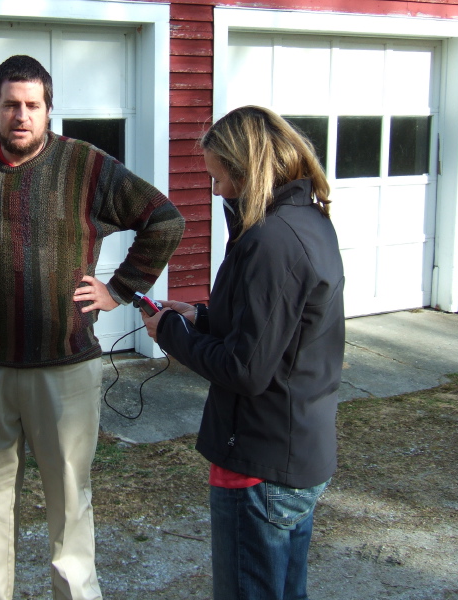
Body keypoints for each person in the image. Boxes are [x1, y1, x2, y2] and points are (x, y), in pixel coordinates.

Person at [0, 55, 185, 600]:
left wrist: (119, 290)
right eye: (11, 105)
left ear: (49, 110)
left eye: (33, 105)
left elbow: (163, 219)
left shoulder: (88, 167)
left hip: (66, 368)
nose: (22, 115)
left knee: (70, 503)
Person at [141, 105, 345, 600]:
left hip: (260, 462)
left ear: (246, 168)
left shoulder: (272, 240)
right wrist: (200, 317)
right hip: (294, 450)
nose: (214, 192)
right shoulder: (306, 221)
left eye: (218, 178)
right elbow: (276, 331)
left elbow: (245, 368)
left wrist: (169, 331)